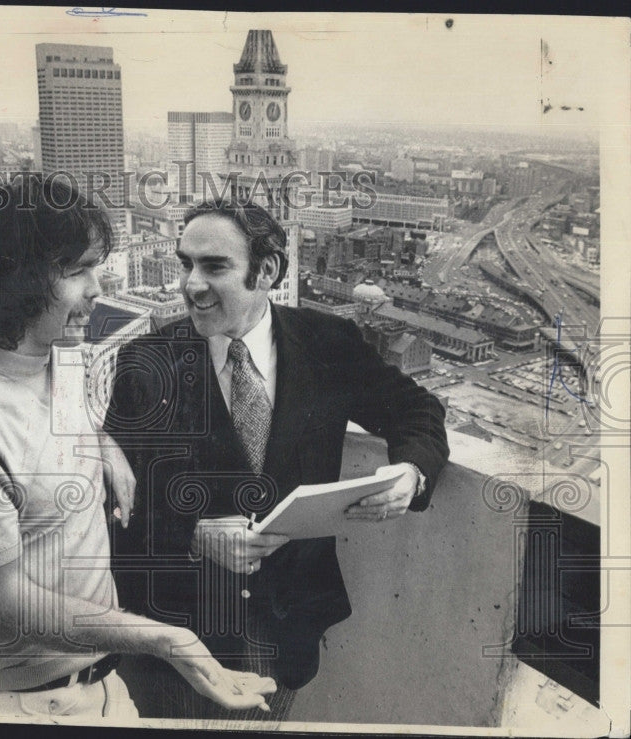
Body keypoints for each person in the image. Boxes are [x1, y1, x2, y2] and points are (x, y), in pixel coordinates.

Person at [0, 177, 277, 721]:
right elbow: (2, 606)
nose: (98, 287)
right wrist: (171, 640)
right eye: (77, 271)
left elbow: (55, 430)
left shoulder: (60, 357)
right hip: (16, 707)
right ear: (14, 278)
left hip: (100, 689)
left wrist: (102, 444)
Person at [104, 199, 450, 722]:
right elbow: (115, 508)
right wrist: (193, 534)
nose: (191, 285)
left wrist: (411, 473)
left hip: (287, 631)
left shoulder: (328, 344)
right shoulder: (147, 363)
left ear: (266, 271)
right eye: (185, 264)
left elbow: (416, 410)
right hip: (178, 638)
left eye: (214, 267)